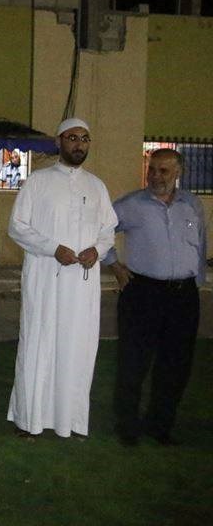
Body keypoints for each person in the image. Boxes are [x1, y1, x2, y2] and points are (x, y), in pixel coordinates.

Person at [7, 118, 117, 439]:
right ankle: (30, 420)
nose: (79, 144)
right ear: (59, 142)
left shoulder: (96, 186)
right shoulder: (37, 181)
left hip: (82, 285)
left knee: (77, 346)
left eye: (84, 138)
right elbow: (17, 227)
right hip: (45, 279)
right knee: (38, 344)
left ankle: (70, 420)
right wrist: (52, 248)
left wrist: (97, 250)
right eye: (72, 138)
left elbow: (108, 230)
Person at [103, 148, 207, 446]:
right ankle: (127, 427)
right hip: (143, 293)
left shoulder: (192, 205)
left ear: (178, 173)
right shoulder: (130, 205)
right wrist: (114, 265)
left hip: (183, 296)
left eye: (164, 171)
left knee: (175, 365)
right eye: (152, 170)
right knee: (133, 363)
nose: (156, 176)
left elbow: (200, 243)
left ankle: (160, 426)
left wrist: (197, 280)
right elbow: (100, 231)